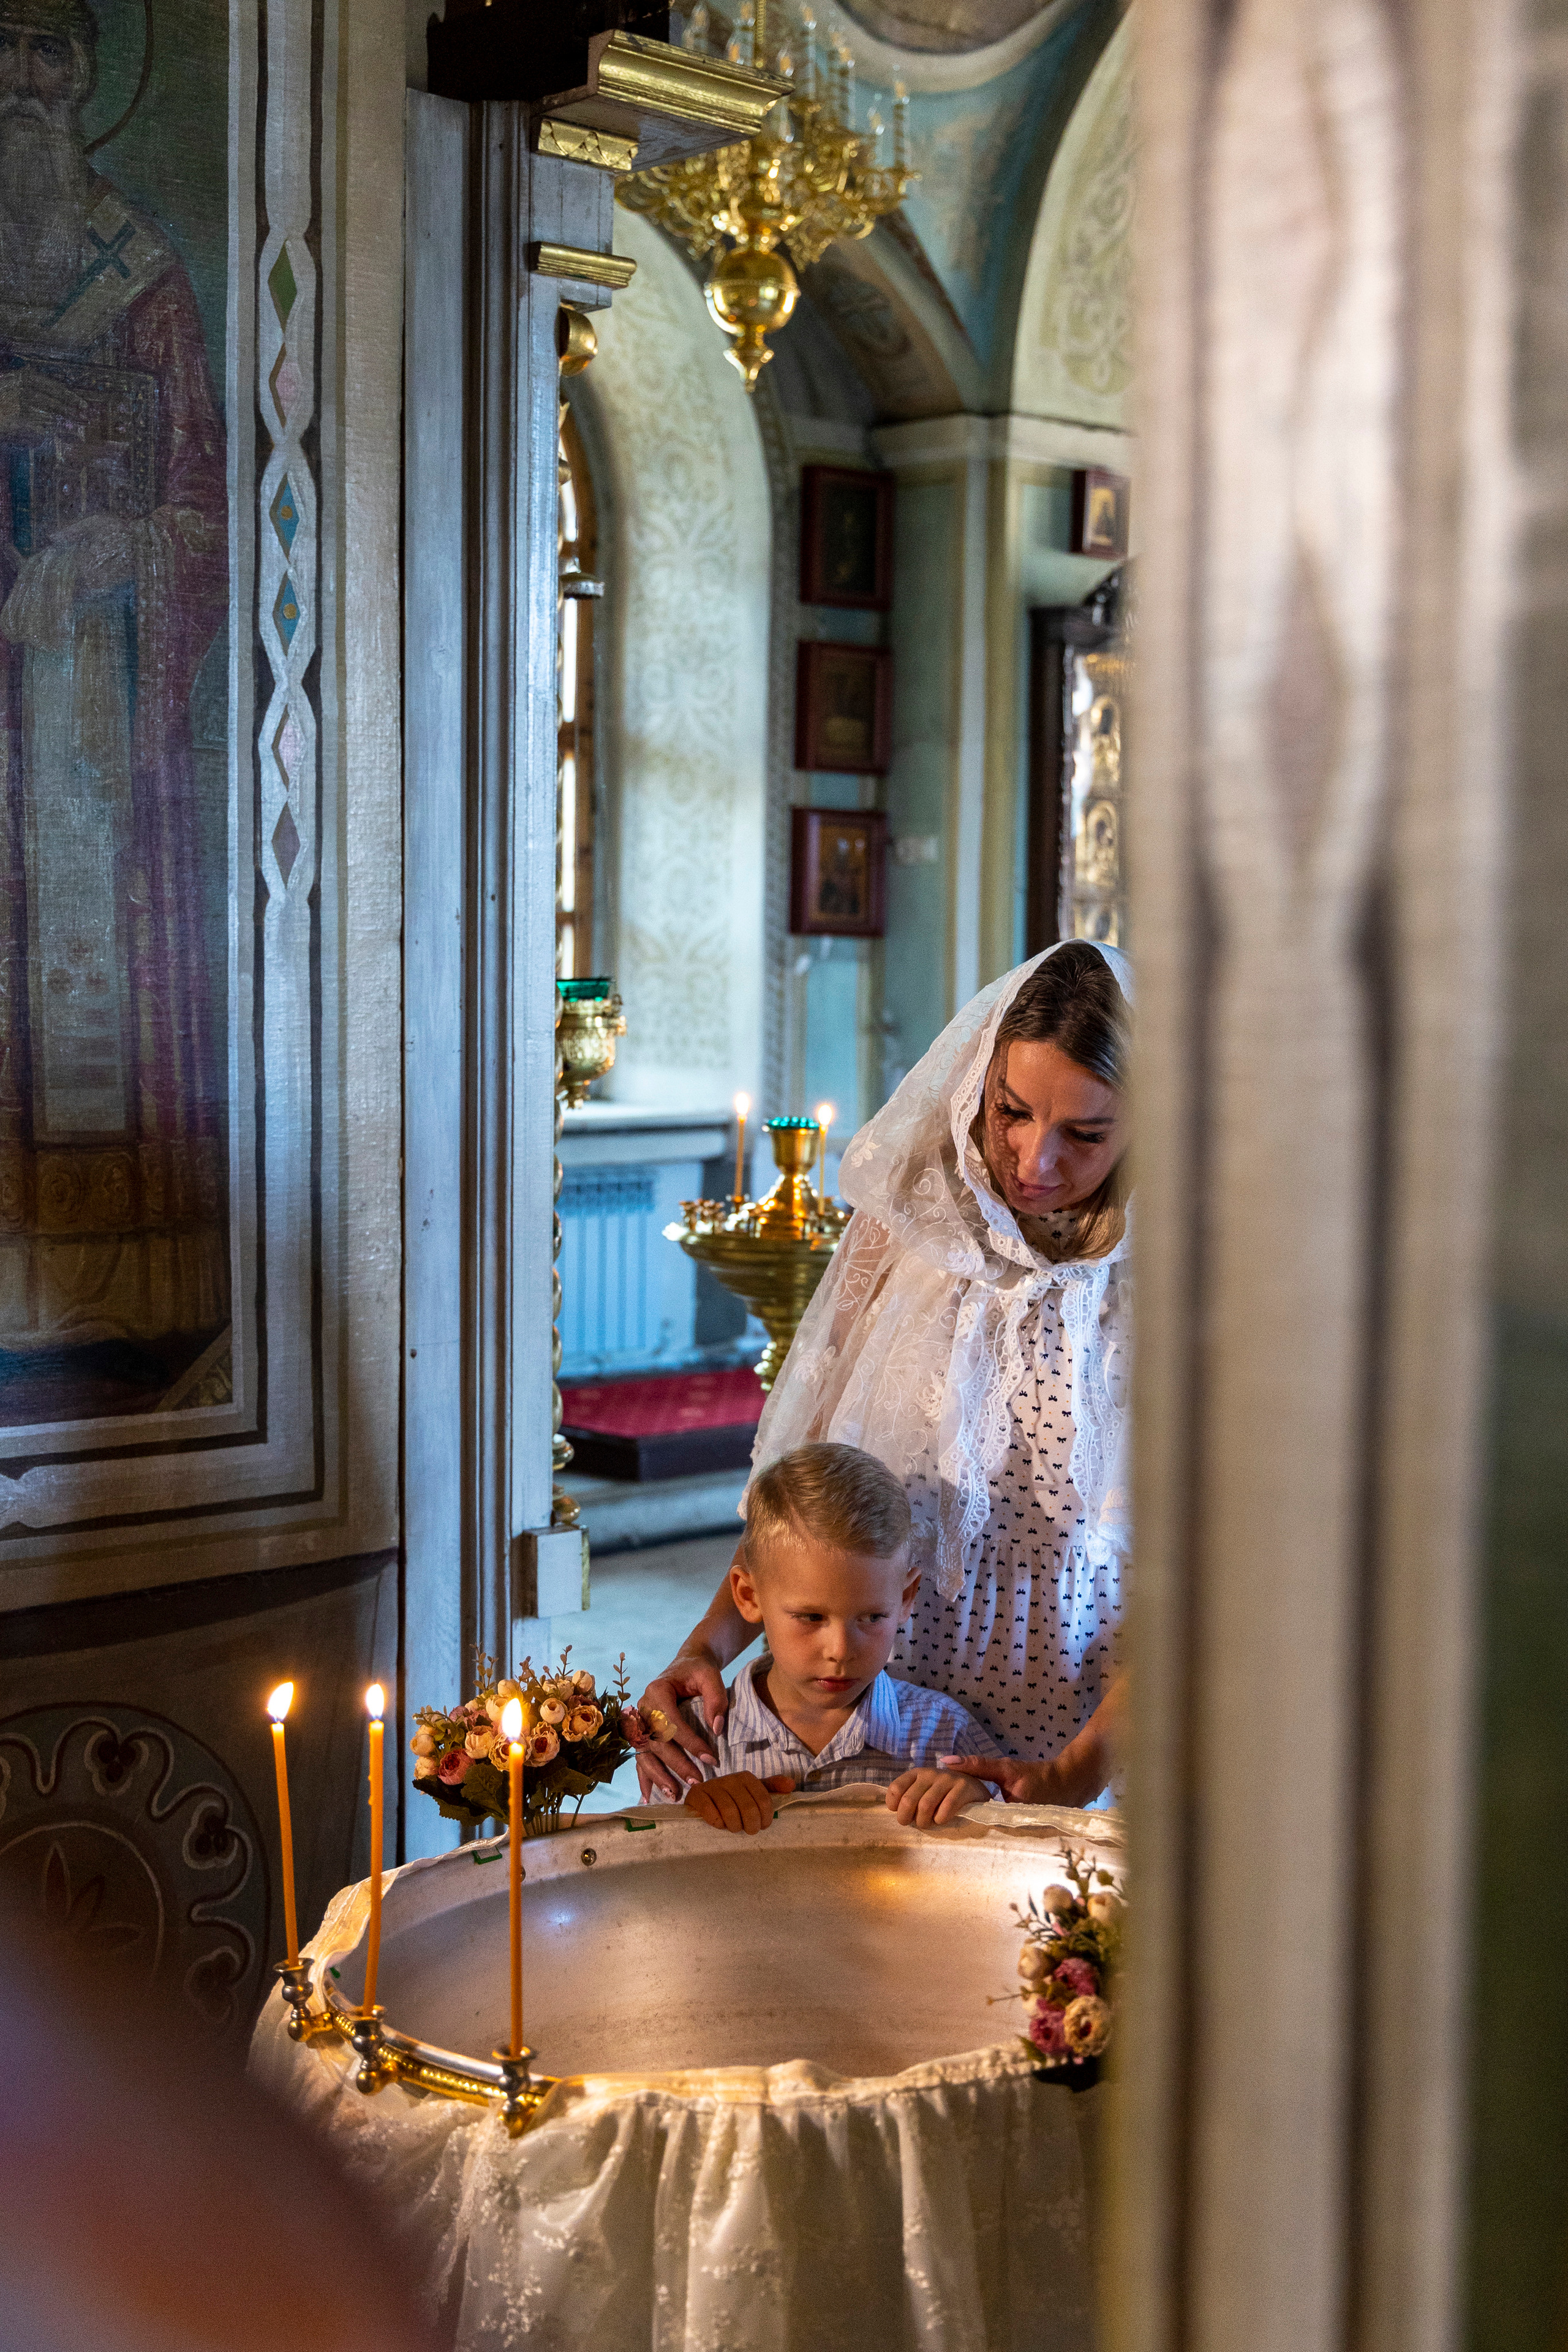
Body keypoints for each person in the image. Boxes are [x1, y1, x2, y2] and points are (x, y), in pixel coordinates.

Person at [637, 938, 1133, 1809]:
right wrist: (707, 1646)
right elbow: (808, 1481)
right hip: (874, 1720)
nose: (1034, 1161)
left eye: (1085, 1135)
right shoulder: (907, 1219)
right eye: (1011, 1111)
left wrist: (1069, 1777)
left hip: (1077, 1738)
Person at [0, 0, 229, 1366]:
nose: (29, 81)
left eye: (54, 54)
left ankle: (109, 1300)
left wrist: (111, 543)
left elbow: (210, 503)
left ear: (92, 77)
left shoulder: (140, 272)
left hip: (84, 713)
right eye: (7, 48)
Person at [650, 1439, 1003, 1833]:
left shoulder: (945, 1734)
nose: (841, 1651)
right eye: (811, 1617)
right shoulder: (693, 1736)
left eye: (872, 1617)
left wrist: (973, 1799)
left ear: (905, 1597)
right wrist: (699, 1813)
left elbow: (1009, 1846)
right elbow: (651, 1859)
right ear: (749, 1597)